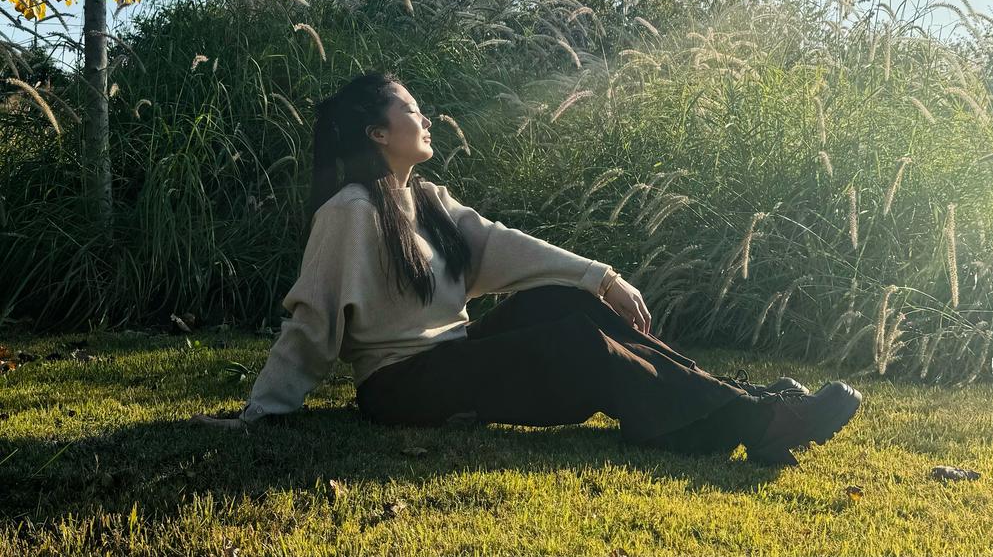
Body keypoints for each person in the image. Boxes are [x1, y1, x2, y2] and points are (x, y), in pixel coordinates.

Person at [192, 70, 862, 466]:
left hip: (454, 357)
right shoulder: (350, 212)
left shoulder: (431, 202)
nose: (426, 118)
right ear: (377, 133)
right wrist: (261, 411)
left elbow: (505, 246)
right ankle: (755, 423)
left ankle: (744, 403)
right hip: (400, 386)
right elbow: (311, 321)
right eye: (411, 109)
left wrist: (600, 277)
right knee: (574, 341)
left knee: (564, 303)